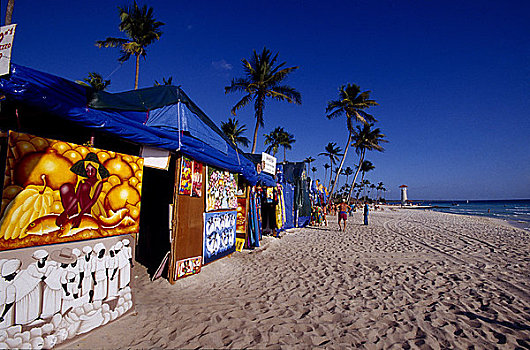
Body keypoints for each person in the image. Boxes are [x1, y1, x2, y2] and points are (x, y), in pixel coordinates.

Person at [56, 152, 110, 228]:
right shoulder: (82, 181)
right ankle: (72, 217)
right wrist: (65, 212)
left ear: (96, 170)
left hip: (91, 208)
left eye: (92, 170)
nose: (90, 173)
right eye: (87, 170)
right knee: (66, 188)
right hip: (79, 207)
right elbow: (76, 198)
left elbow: (93, 200)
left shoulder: (99, 183)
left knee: (85, 188)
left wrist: (81, 215)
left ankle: (83, 218)